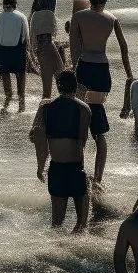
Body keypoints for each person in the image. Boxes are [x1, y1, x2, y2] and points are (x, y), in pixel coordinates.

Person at [70, 0, 133, 182]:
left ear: (89, 0)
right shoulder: (112, 19)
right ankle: (98, 179)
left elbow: (74, 45)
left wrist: (73, 69)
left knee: (80, 121)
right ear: (105, 1)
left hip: (85, 68)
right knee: (97, 122)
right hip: (102, 71)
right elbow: (124, 48)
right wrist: (129, 74)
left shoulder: (79, 17)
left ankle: (78, 170)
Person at [31, 69, 91, 232]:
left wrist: (40, 167)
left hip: (56, 169)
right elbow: (82, 141)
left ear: (58, 87)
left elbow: (39, 140)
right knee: (81, 226)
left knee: (56, 225)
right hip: (76, 168)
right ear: (75, 86)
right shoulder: (84, 109)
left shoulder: (46, 109)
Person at [0, 0, 30, 111]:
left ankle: (7, 102)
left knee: (5, 75)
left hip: (2, 50)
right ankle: (21, 104)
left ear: (4, 4)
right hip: (18, 49)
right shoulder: (21, 16)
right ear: (15, 5)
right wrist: (28, 52)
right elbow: (26, 37)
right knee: (21, 75)